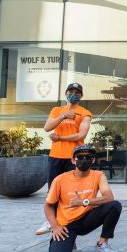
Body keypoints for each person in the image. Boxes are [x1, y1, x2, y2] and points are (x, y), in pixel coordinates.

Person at [45, 145, 122, 252]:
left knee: (114, 206)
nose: (84, 160)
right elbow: (48, 205)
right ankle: (69, 242)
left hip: (87, 220)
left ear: (93, 160)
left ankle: (102, 245)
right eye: (80, 157)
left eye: (88, 157)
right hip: (66, 225)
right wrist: (54, 226)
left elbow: (109, 197)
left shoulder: (98, 175)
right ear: (73, 160)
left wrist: (84, 202)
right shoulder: (60, 179)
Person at [36, 82, 92, 235]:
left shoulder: (85, 113)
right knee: (52, 191)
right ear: (66, 93)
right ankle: (51, 221)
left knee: (71, 192)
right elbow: (47, 127)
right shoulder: (57, 110)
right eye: (71, 91)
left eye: (77, 92)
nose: (74, 94)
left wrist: (60, 137)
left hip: (74, 159)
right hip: (55, 156)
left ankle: (70, 223)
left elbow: (81, 135)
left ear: (81, 96)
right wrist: (63, 116)